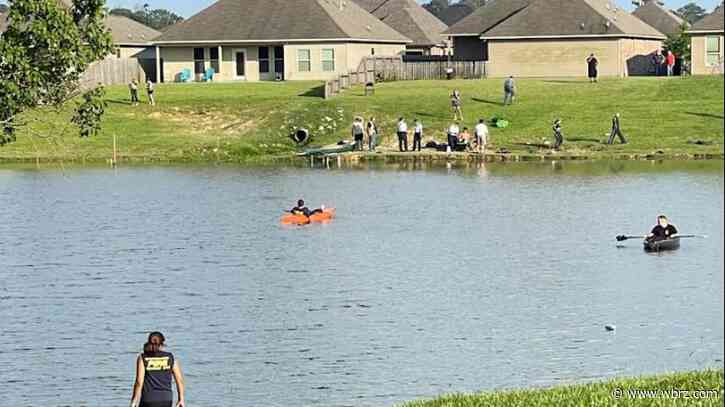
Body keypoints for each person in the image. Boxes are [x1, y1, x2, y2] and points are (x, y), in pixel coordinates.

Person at [130, 332, 185, 407]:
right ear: (162, 344)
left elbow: (139, 382)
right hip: (166, 398)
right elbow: (179, 380)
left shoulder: (143, 358)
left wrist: (134, 401)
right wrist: (181, 399)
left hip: (148, 399)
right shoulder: (170, 357)